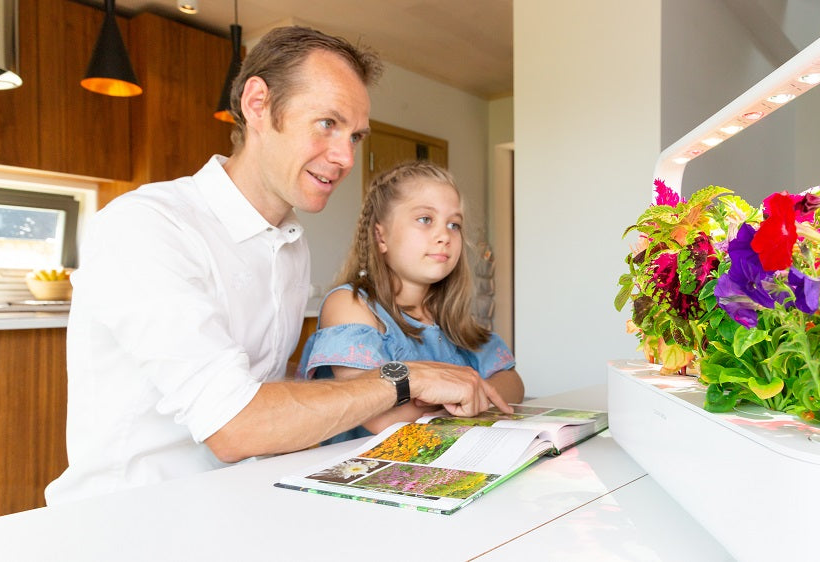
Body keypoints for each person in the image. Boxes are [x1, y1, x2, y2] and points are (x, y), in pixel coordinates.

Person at [45, 27, 509, 505]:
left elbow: (265, 398)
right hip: (130, 519)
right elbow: (234, 426)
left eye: (354, 136)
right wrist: (405, 377)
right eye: (327, 123)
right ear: (258, 103)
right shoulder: (147, 225)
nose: (346, 157)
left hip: (241, 502)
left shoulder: (290, 246)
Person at [297, 161, 525, 443]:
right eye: (425, 219)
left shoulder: (449, 318)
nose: (444, 236)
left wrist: (458, 395)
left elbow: (513, 383)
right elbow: (382, 417)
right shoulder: (351, 304)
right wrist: (469, 396)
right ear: (381, 236)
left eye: (454, 225)